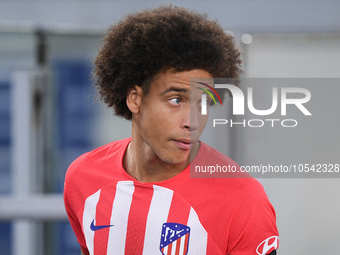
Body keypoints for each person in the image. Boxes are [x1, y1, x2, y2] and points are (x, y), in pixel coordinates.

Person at [64, 5, 279, 255]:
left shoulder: (243, 199)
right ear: (134, 98)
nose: (193, 121)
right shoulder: (83, 178)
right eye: (176, 100)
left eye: (203, 102)